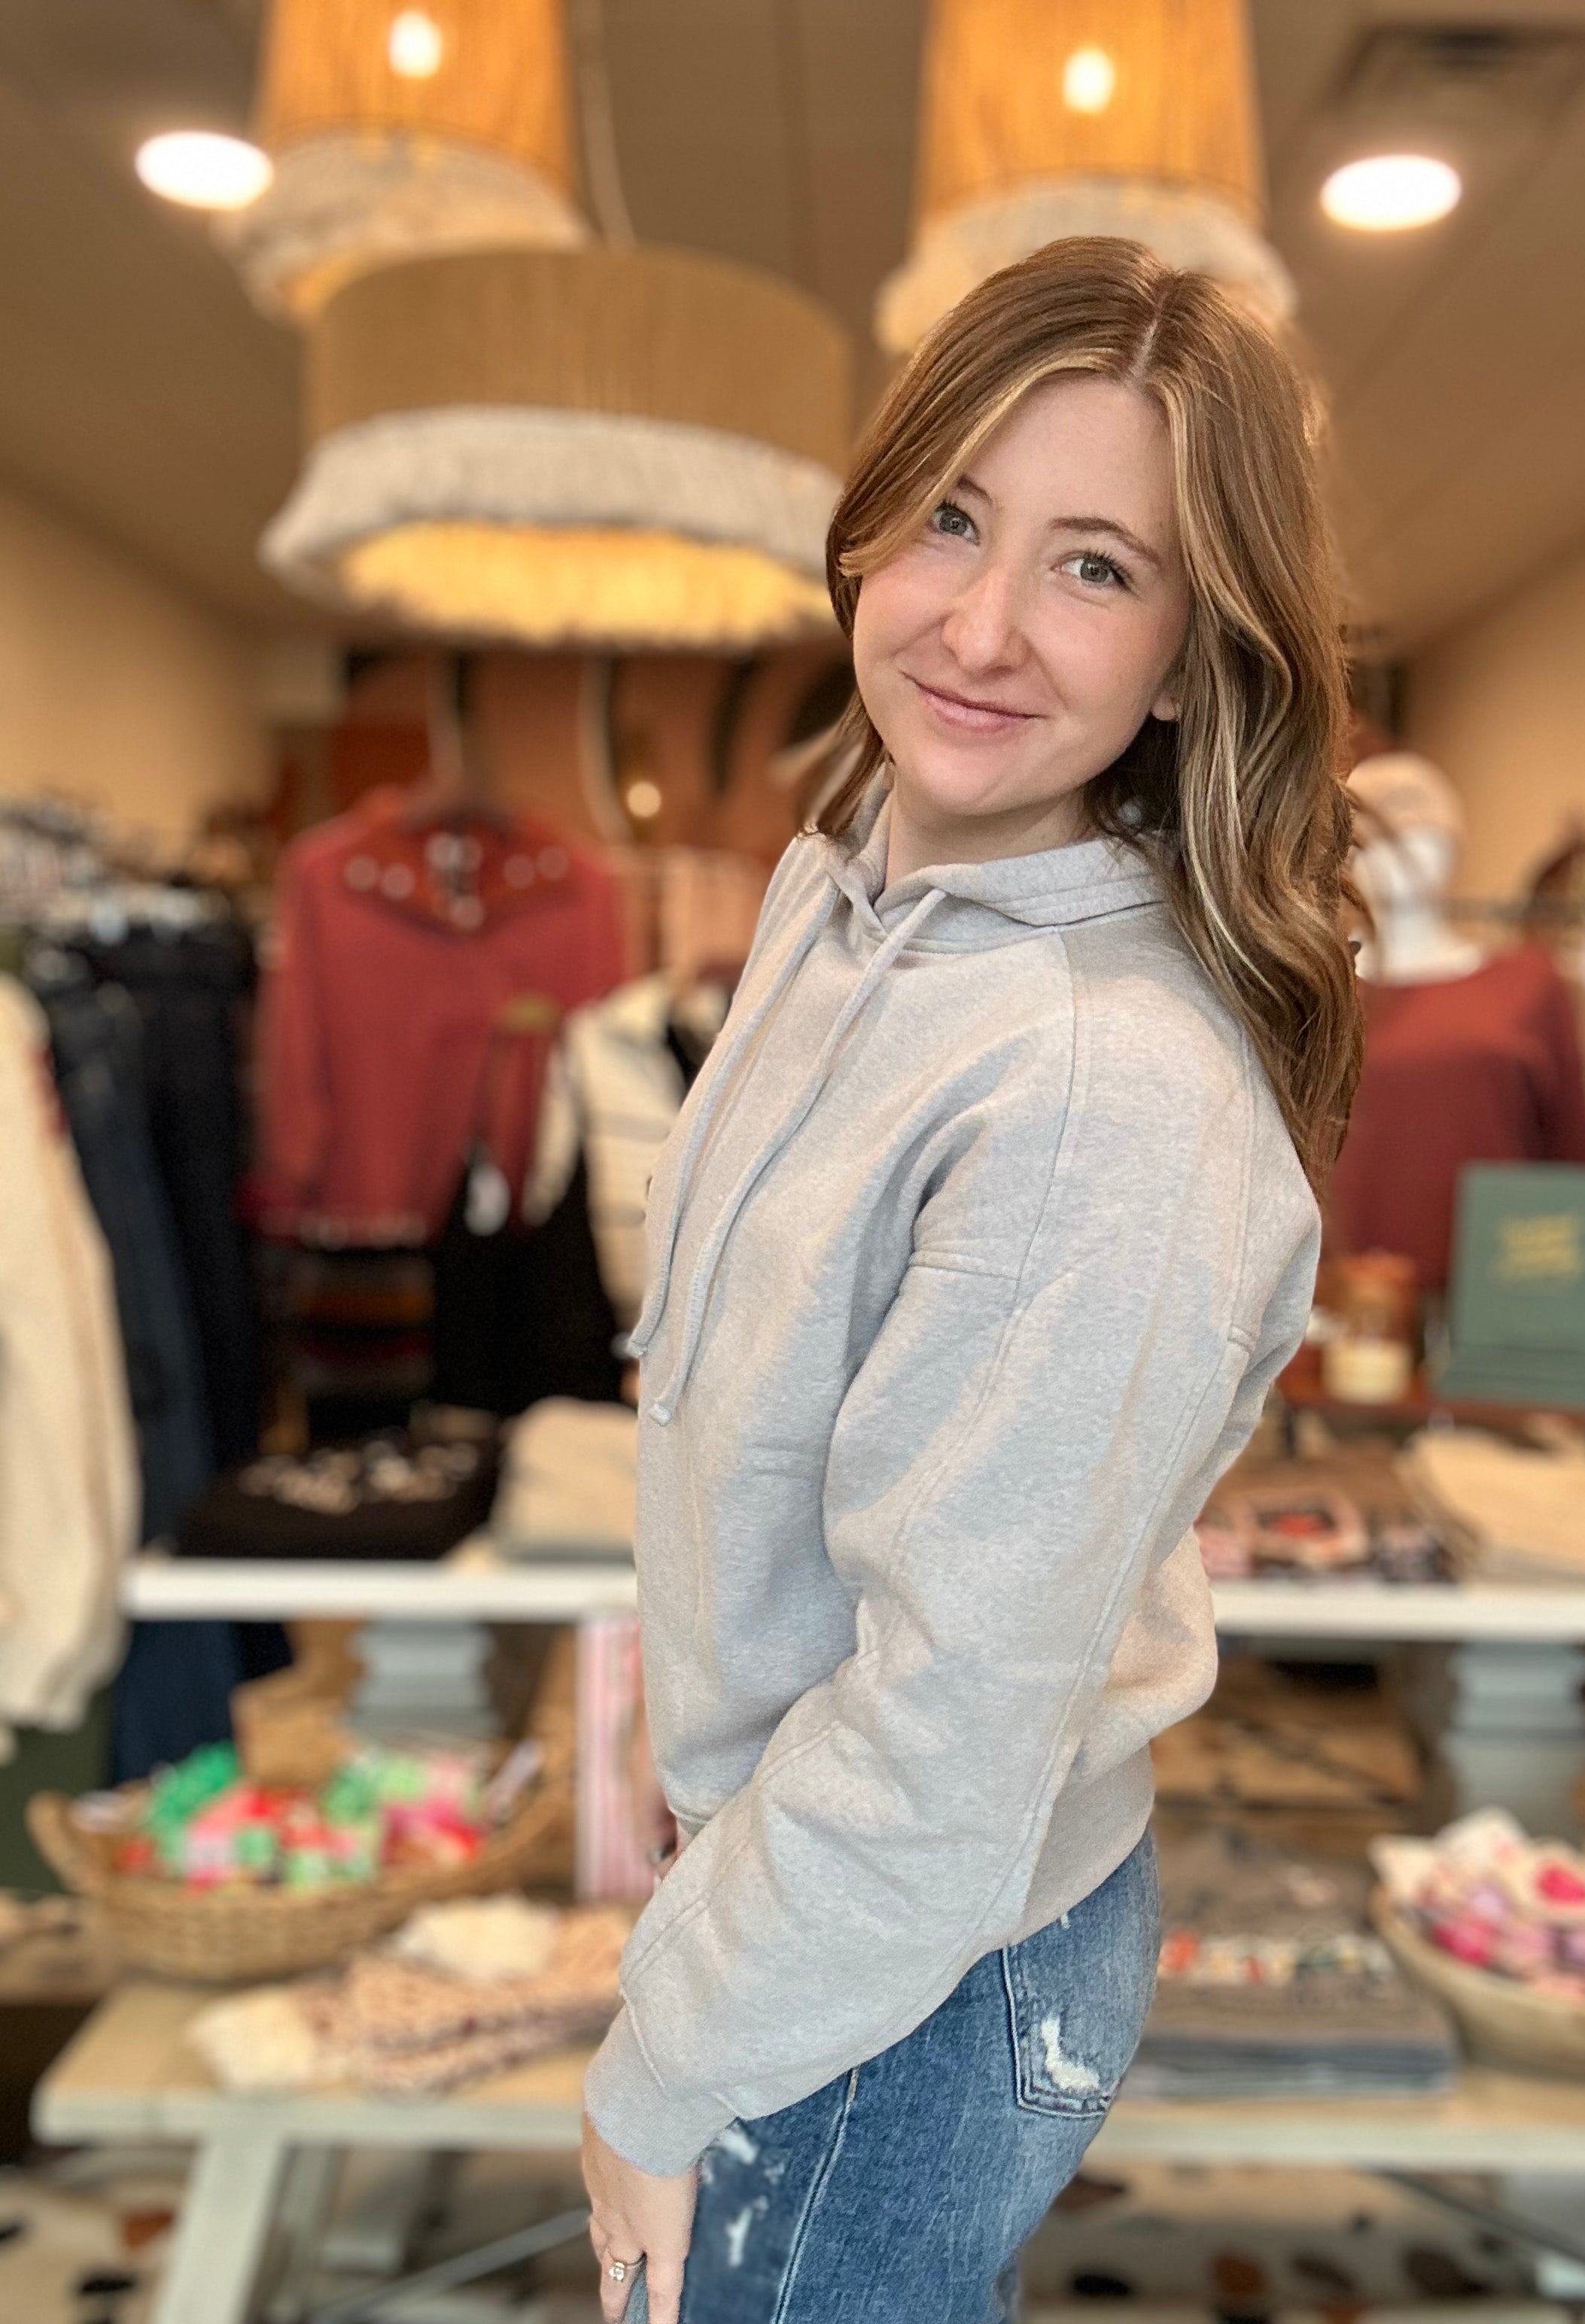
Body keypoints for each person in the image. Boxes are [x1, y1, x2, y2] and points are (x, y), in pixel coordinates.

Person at [580, 236, 1364, 2324]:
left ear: (1189, 656)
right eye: (950, 517)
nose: (983, 624)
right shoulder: (843, 909)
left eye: (1096, 566)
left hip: (911, 1977)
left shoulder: (1102, 1087)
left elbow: (946, 1728)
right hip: (830, 1911)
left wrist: (661, 2066)